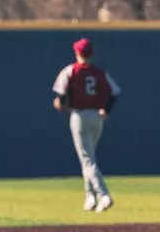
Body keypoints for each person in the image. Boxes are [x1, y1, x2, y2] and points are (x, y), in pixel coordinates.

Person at [52, 38, 122, 213]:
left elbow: (61, 96)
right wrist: (106, 109)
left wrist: (60, 103)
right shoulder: (99, 73)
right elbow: (114, 92)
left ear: (77, 53)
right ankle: (89, 197)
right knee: (89, 158)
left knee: (88, 159)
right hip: (96, 117)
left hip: (79, 115)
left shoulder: (71, 71)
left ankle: (103, 195)